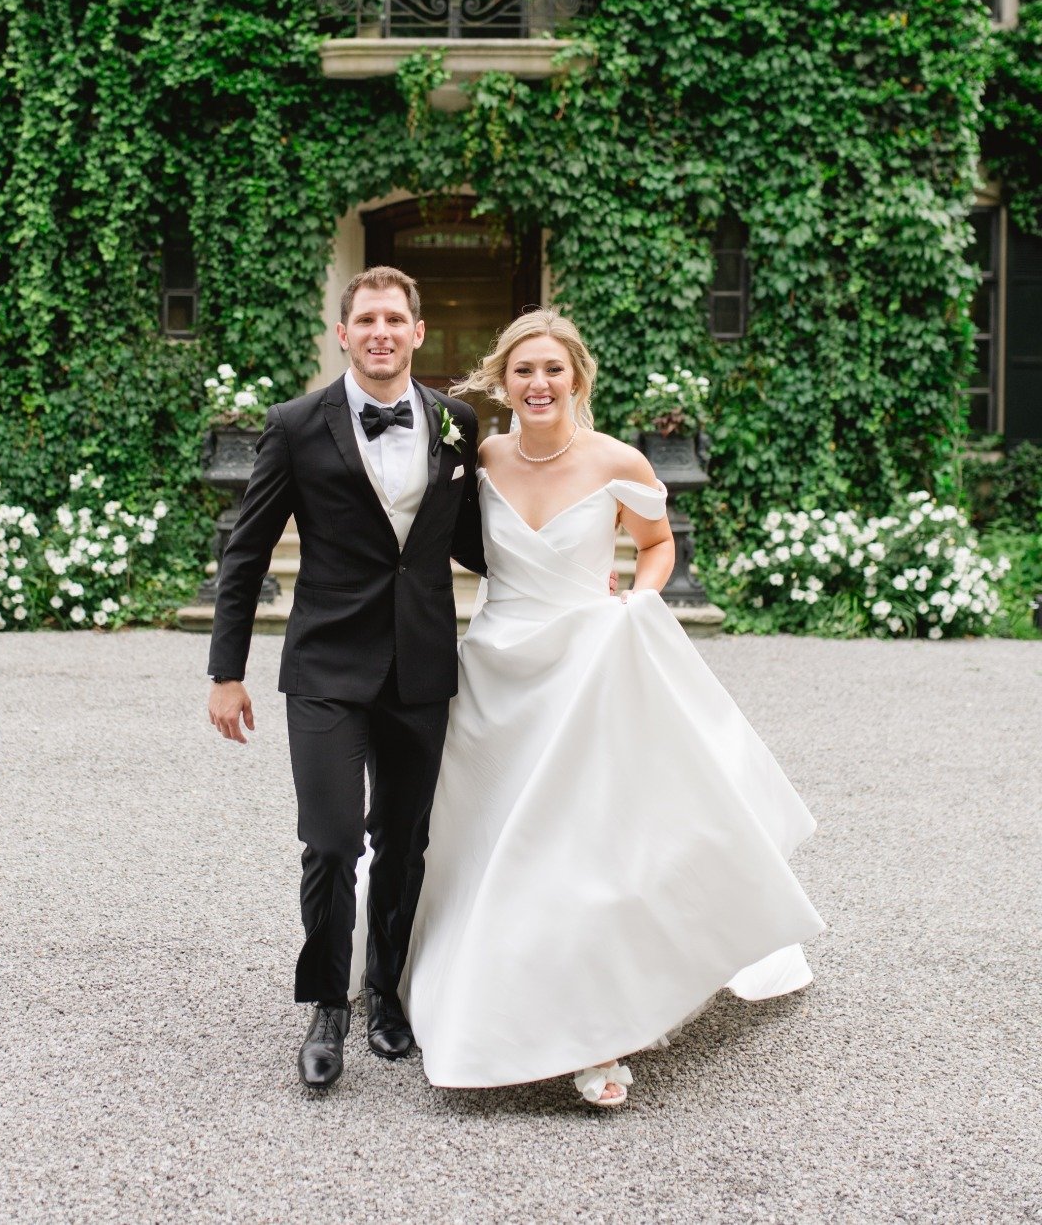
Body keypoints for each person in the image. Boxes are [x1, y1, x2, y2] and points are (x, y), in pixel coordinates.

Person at [353, 308, 826, 1107]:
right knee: (483, 845)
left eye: (553, 370)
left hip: (586, 667)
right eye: (523, 371)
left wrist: (637, 607)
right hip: (497, 671)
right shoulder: (483, 454)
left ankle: (597, 1035)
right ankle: (461, 985)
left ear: (577, 376)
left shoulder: (618, 459)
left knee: (580, 848)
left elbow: (658, 544)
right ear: (502, 381)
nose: (539, 384)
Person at [206, 266, 485, 1091]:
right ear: (343, 332)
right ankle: (328, 1002)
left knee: (404, 845)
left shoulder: (457, 422)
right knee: (330, 843)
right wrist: (227, 671)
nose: (381, 332)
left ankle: (387, 995)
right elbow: (246, 550)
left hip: (422, 666)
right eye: (366, 319)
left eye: (395, 318)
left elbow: (475, 541)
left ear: (418, 331)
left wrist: (568, 565)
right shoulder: (295, 425)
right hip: (326, 664)